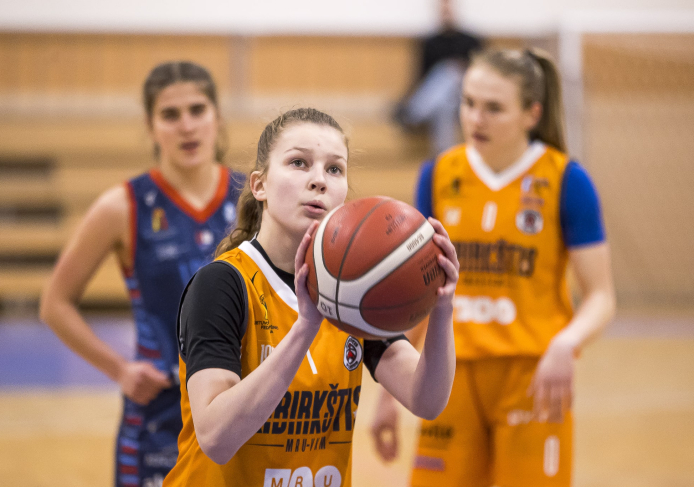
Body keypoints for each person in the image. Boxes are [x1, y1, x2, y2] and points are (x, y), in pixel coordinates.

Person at [162, 107, 460, 486]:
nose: (319, 180)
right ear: (260, 185)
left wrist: (442, 307)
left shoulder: (352, 291)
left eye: (334, 169)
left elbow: (427, 400)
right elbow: (216, 438)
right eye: (299, 163)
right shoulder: (222, 284)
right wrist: (305, 327)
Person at [371, 48, 617, 487]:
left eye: (494, 108)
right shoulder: (439, 175)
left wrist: (568, 342)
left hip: (530, 376)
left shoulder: (566, 180)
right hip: (450, 374)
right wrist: (392, 389)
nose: (475, 118)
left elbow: (601, 296)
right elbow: (422, 293)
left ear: (531, 113)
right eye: (468, 103)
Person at [39, 61, 243, 487]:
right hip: (157, 421)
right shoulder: (123, 206)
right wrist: (120, 370)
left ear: (217, 117)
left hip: (236, 410)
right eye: (170, 114)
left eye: (197, 110)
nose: (186, 126)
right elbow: (54, 304)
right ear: (151, 128)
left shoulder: (252, 201)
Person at [394, 0, 483, 157]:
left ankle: (415, 113)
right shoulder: (430, 42)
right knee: (444, 104)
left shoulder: (471, 41)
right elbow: (422, 76)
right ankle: (444, 154)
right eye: (443, 11)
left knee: (450, 72)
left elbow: (481, 71)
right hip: (444, 98)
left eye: (448, 10)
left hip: (466, 94)